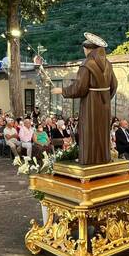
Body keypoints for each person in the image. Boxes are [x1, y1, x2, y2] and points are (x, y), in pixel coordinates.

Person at [51, 32, 118, 165]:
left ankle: (89, 160)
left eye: (84, 49)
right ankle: (103, 158)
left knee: (89, 131)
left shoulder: (86, 64)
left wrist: (62, 90)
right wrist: (104, 99)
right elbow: (114, 85)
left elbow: (79, 88)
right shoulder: (108, 64)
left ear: (88, 49)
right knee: (102, 132)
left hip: (90, 104)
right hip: (104, 106)